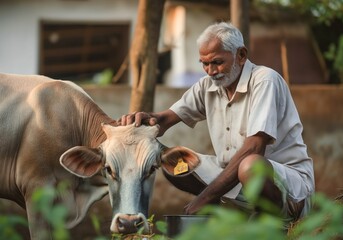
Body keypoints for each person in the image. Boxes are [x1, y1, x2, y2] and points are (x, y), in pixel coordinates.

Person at [120, 22, 315, 222]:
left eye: (217, 62)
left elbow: (254, 148)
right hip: (237, 178)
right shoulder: (208, 86)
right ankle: (233, 215)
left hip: (289, 189)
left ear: (241, 55)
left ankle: (273, 222)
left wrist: (206, 197)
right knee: (173, 161)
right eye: (204, 63)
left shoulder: (265, 81)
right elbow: (165, 118)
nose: (211, 71)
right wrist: (144, 121)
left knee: (250, 166)